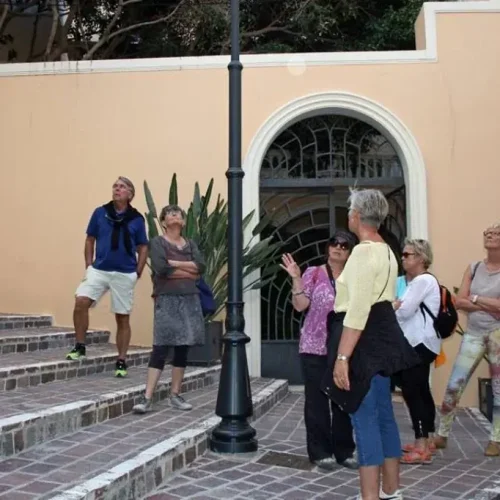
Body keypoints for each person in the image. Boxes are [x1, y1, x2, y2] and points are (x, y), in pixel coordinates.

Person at [321, 189, 419, 500]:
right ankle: (391, 492)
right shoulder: (387, 249)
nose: (348, 214)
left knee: (364, 421)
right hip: (382, 337)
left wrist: (342, 357)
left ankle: (370, 497)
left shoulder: (363, 252)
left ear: (358, 216)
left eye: (350, 210)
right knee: (384, 417)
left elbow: (359, 309)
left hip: (363, 340)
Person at [281, 231, 358, 471]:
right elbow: (300, 305)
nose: (338, 248)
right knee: (317, 401)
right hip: (314, 346)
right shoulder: (313, 273)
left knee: (342, 399)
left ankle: (344, 450)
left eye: (344, 245)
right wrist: (296, 278)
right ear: (328, 247)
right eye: (334, 243)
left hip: (344, 346)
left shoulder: (355, 277)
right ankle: (320, 451)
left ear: (350, 252)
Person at [67, 177, 148, 378]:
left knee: (122, 316)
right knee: (81, 301)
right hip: (99, 269)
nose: (117, 189)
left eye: (122, 187)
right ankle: (80, 346)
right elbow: (90, 239)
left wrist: (137, 271)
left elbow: (143, 246)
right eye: (115, 186)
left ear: (130, 194)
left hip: (124, 273)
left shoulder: (137, 218)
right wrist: (88, 265)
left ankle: (121, 360)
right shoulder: (100, 212)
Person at [435, 223, 500, 457]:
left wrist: (475, 299)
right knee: (455, 383)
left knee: (498, 387)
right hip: (473, 332)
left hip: (497, 334)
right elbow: (459, 301)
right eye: (487, 233)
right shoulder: (473, 268)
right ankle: (441, 434)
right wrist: (485, 303)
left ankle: (496, 439)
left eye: (496, 233)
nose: (490, 236)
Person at [133, 205, 206, 413]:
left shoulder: (190, 243)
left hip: (190, 300)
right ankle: (147, 397)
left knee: (183, 348)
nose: (175, 216)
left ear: (183, 222)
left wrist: (177, 266)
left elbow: (201, 267)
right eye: (170, 214)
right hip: (167, 299)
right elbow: (161, 269)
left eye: (178, 214)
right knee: (161, 347)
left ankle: (175, 394)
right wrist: (187, 270)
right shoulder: (157, 242)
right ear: (164, 222)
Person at [393, 239, 441, 464]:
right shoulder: (424, 281)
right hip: (425, 343)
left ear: (421, 258)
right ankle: (427, 439)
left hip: (418, 344)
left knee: (413, 392)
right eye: (403, 254)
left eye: (408, 254)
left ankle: (421, 446)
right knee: (421, 390)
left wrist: (395, 305)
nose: (403, 258)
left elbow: (404, 311)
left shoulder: (421, 281)